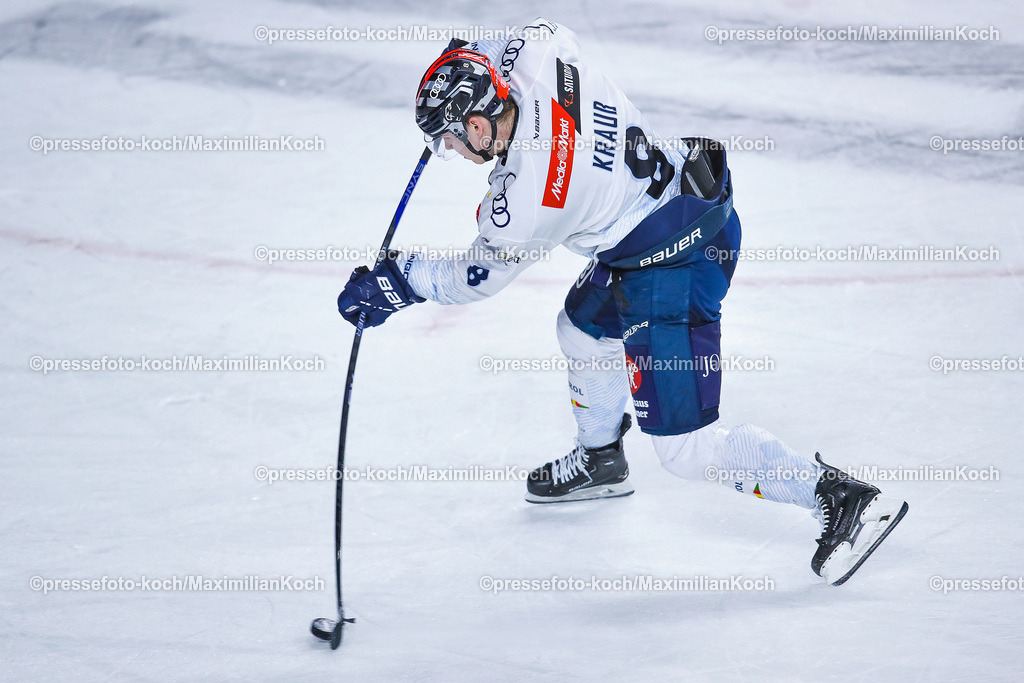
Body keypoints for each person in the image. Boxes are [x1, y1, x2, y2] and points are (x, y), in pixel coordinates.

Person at [337, 19, 908, 585]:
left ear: (479, 124)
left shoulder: (528, 200)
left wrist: (398, 280)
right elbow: (538, 29)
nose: (450, 151)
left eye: (450, 139)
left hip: (675, 264)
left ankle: (840, 497)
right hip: (676, 205)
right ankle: (601, 459)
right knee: (581, 332)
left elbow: (475, 278)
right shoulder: (538, 54)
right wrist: (465, 57)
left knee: (685, 451)